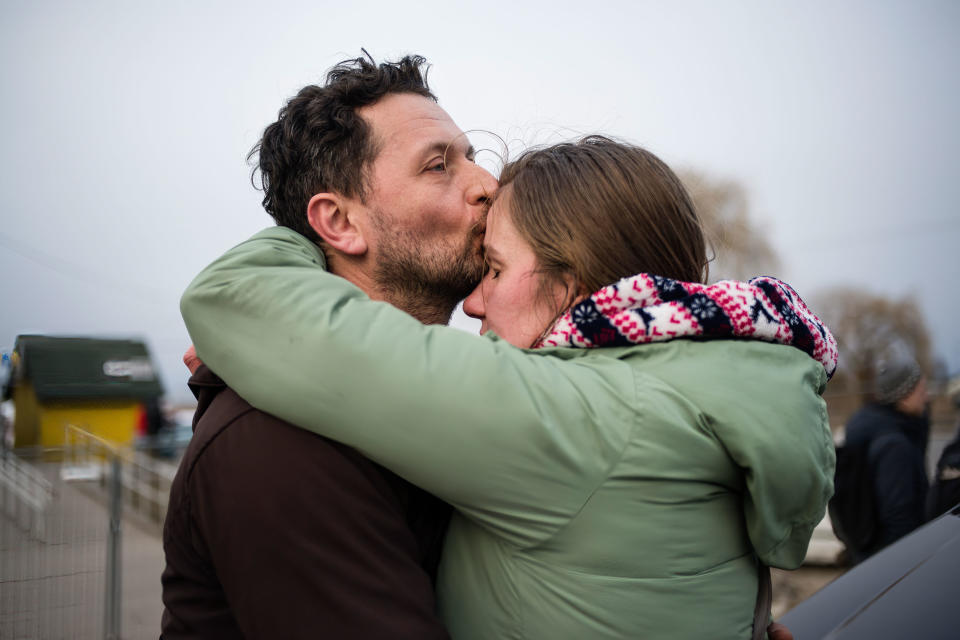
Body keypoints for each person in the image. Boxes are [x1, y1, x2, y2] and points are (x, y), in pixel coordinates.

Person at [180, 136, 836, 639]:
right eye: (439, 164)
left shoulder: (575, 419)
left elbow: (231, 297)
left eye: (493, 268)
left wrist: (272, 313)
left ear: (576, 287)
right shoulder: (700, 386)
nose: (473, 303)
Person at [161, 53, 498, 638]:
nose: (488, 185)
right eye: (438, 166)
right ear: (340, 223)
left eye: (473, 157)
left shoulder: (412, 406)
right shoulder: (278, 440)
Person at [843, 350, 930, 562]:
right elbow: (900, 522)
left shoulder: (874, 427)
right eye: (922, 390)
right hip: (896, 565)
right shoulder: (895, 446)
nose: (927, 396)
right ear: (904, 396)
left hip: (869, 557)